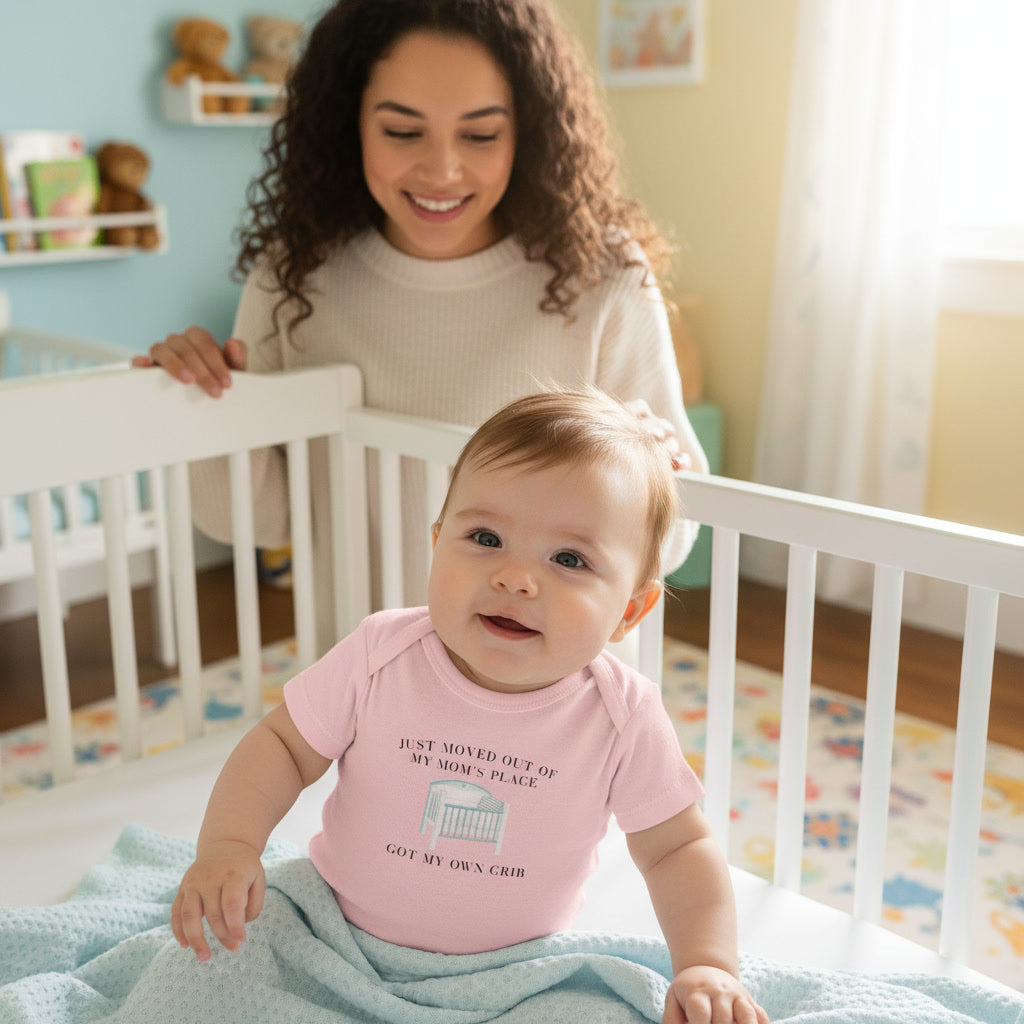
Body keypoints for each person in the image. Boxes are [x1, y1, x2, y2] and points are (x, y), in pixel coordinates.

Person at [171, 387, 768, 1024]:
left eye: (569, 559)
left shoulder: (621, 714)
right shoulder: (382, 653)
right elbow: (283, 748)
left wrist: (707, 964)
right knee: (206, 968)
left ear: (629, 610)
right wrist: (230, 846)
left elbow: (676, 849)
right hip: (330, 931)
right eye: (485, 537)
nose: (515, 578)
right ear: (437, 543)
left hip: (516, 975)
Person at [133, 0, 708, 653]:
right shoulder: (295, 279)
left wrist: (651, 471)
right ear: (347, 125)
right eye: (403, 133)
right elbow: (255, 521)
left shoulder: (600, 276)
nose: (441, 171)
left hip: (552, 703)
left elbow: (678, 534)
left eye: (481, 135)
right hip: (371, 684)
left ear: (530, 132)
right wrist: (204, 403)